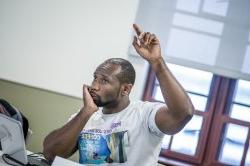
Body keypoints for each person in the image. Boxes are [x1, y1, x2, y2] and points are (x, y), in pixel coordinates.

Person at [43, 24, 194, 165]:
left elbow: (182, 114)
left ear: (126, 89)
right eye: (95, 77)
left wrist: (157, 62)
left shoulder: (144, 115)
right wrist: (85, 112)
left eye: (104, 81)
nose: (94, 86)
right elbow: (50, 154)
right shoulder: (86, 116)